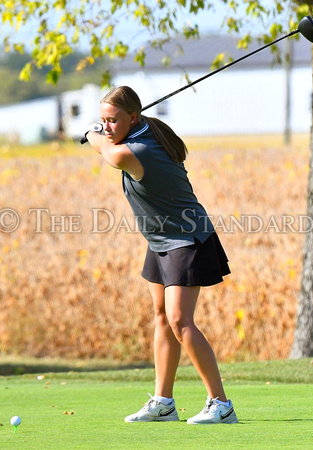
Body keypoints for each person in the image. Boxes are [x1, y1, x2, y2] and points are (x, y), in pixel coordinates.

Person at [86, 85, 238, 425]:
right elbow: (110, 143)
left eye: (112, 120)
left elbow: (110, 154)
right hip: (160, 241)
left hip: (186, 239)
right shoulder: (140, 133)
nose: (107, 126)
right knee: (161, 317)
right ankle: (164, 402)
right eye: (103, 121)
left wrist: (91, 133)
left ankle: (221, 404)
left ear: (133, 118)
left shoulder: (136, 150)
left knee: (181, 322)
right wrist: (103, 130)